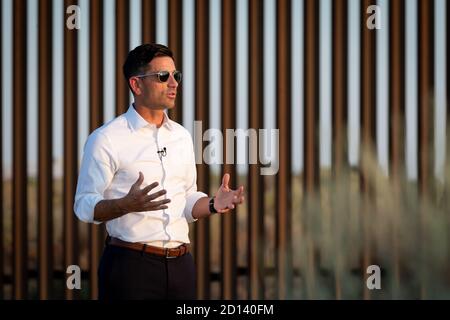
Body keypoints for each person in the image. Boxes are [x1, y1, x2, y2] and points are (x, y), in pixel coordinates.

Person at [74, 43, 245, 300]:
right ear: (136, 84)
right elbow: (84, 205)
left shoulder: (182, 136)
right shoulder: (106, 139)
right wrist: (125, 204)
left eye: (176, 76)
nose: (174, 83)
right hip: (131, 267)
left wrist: (211, 203)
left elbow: (186, 201)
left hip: (181, 266)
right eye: (163, 76)